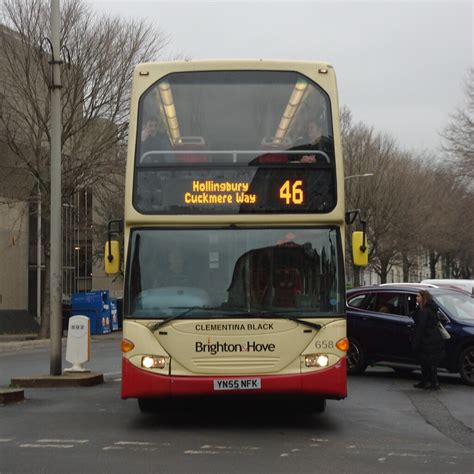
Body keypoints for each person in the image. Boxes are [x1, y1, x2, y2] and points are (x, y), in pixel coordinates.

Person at [412, 290, 445, 390]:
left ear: (423, 298)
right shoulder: (430, 308)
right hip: (433, 338)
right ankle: (425, 382)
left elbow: (421, 327)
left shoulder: (425, 311)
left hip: (428, 340)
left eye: (418, 296)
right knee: (427, 361)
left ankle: (434, 383)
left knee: (429, 362)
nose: (416, 298)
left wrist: (416, 342)